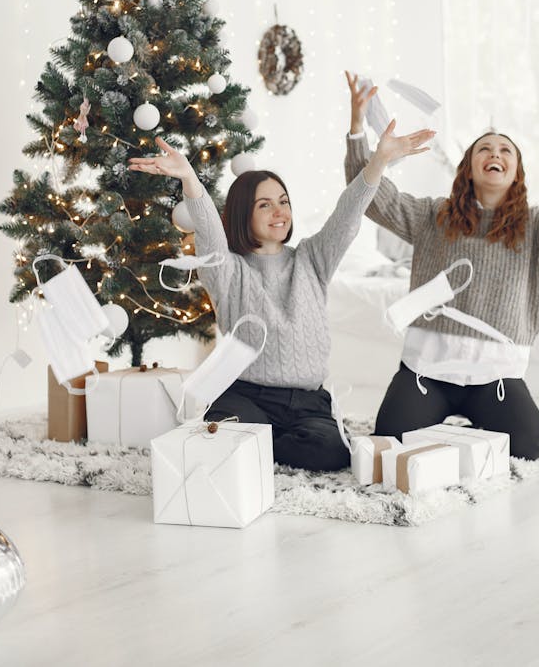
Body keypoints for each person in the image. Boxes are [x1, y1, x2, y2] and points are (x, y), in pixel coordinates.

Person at [344, 72, 539, 460]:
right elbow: (373, 198)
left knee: (526, 447)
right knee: (389, 441)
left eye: (506, 150)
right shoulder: (432, 216)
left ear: (516, 173)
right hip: (427, 373)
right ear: (469, 168)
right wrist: (361, 134)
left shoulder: (535, 225)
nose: (495, 154)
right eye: (485, 149)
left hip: (495, 379)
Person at [129, 116, 433, 471]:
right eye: (265, 205)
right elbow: (209, 232)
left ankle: (258, 448)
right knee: (222, 436)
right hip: (246, 396)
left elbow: (347, 216)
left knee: (332, 453)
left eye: (283, 201)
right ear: (244, 213)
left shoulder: (312, 258)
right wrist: (189, 179)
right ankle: (252, 445)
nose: (279, 211)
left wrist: (378, 162)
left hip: (308, 402)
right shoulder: (227, 270)